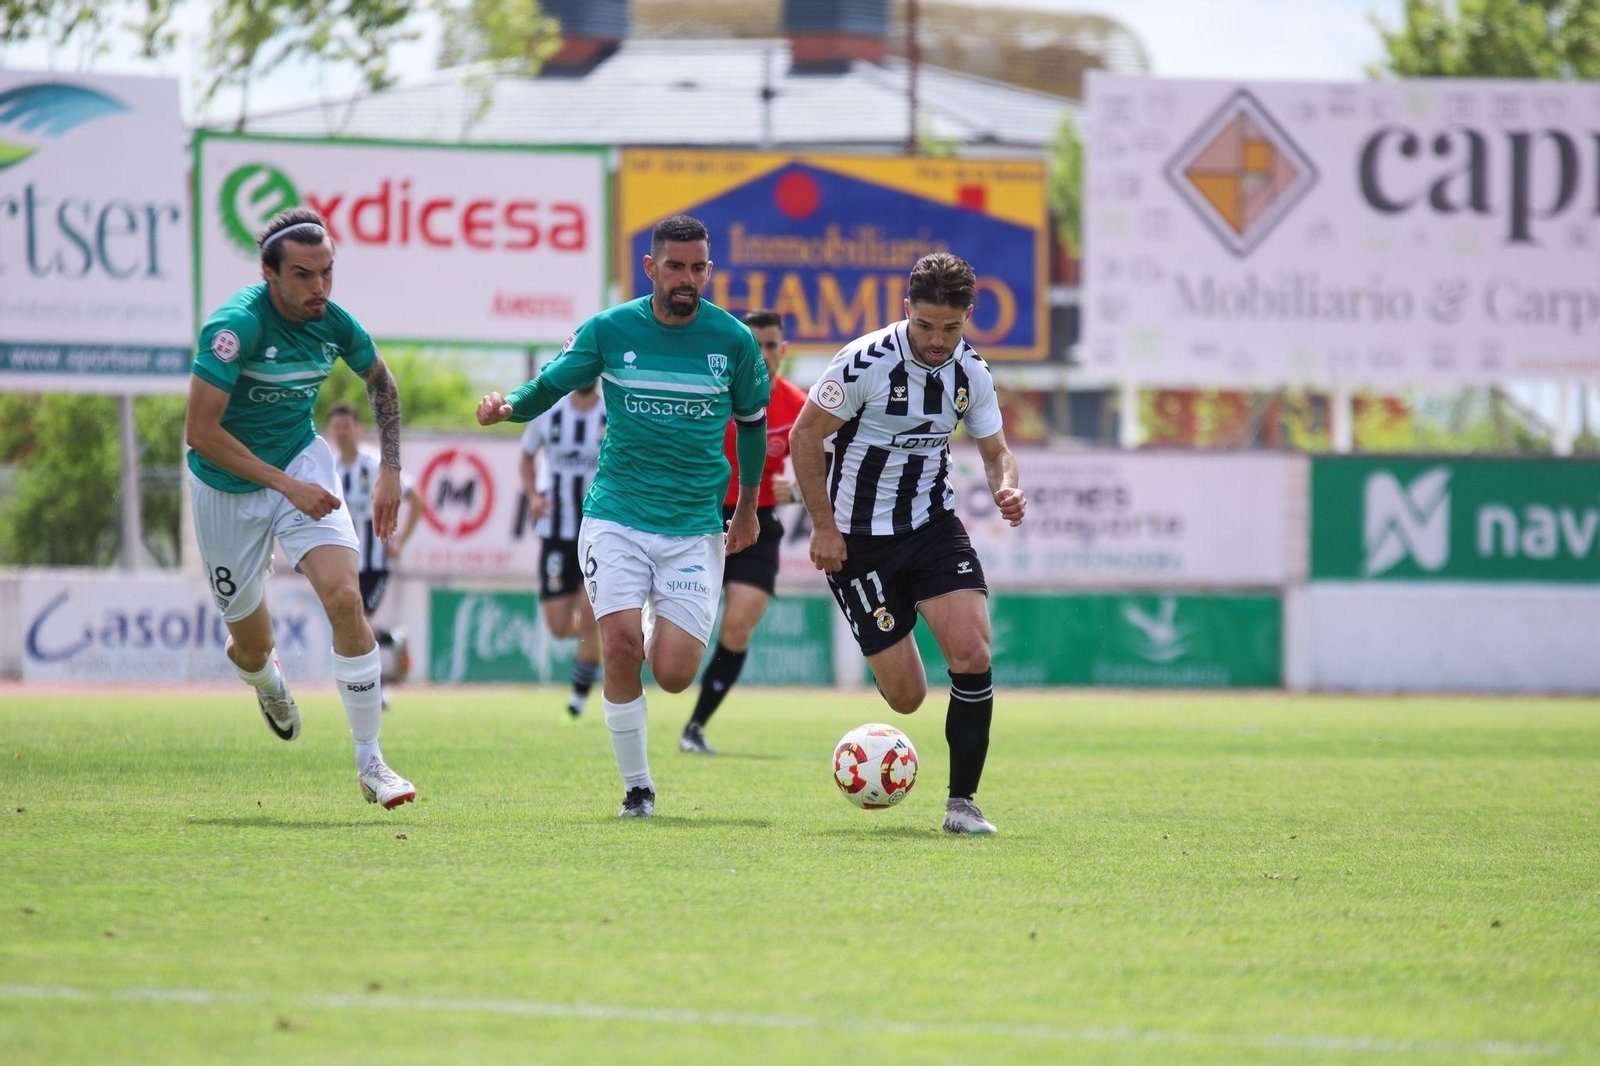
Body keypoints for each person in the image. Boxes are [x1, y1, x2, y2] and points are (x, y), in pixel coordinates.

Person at [476, 214, 770, 817]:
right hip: (617, 513)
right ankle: (638, 787)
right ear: (650, 267)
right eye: (675, 267)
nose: (687, 279)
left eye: (698, 268)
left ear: (708, 271)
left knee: (675, 674)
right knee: (617, 644)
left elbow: (751, 426)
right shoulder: (610, 330)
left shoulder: (734, 341)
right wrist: (509, 406)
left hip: (693, 526)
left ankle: (657, 619)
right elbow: (551, 384)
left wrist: (746, 508)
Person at [184, 206, 416, 809]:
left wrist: (390, 469)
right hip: (225, 485)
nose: (320, 287)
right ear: (269, 274)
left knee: (345, 599)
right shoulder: (235, 328)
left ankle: (372, 763)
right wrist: (285, 487)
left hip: (299, 461)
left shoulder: (333, 323)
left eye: (327, 272)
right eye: (304, 275)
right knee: (250, 647)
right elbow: (200, 433)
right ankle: (268, 682)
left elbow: (381, 382)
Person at [789, 252, 1026, 835]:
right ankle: (886, 651)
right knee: (907, 697)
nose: (937, 340)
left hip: (932, 527)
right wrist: (823, 526)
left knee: (972, 655)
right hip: (857, 543)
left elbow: (996, 452)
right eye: (925, 326)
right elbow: (805, 435)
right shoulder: (863, 362)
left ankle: (962, 805)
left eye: (950, 328)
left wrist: (1007, 486)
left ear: (968, 317)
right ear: (906, 311)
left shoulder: (972, 373)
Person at [679, 310, 810, 754]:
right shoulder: (710, 394)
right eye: (755, 345)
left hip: (759, 522)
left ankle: (695, 726)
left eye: (771, 345)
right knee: (680, 630)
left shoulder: (799, 407)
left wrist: (797, 492)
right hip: (700, 519)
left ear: (783, 351)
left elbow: (829, 471)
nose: (763, 354)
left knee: (737, 628)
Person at [325, 402, 424, 710]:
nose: (342, 432)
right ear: (331, 432)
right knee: (351, 625)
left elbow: (417, 501)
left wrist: (400, 543)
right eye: (336, 427)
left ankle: (376, 692)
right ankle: (392, 640)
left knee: (359, 623)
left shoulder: (375, 465)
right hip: (344, 563)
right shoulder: (329, 469)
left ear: (357, 429)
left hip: (375, 564)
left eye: (346, 426)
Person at [518, 377, 606, 718]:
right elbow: (526, 457)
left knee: (591, 616)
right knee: (558, 626)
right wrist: (532, 496)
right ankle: (608, 632)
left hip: (599, 531)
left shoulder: (611, 412)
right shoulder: (549, 413)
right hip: (556, 532)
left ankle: (579, 697)